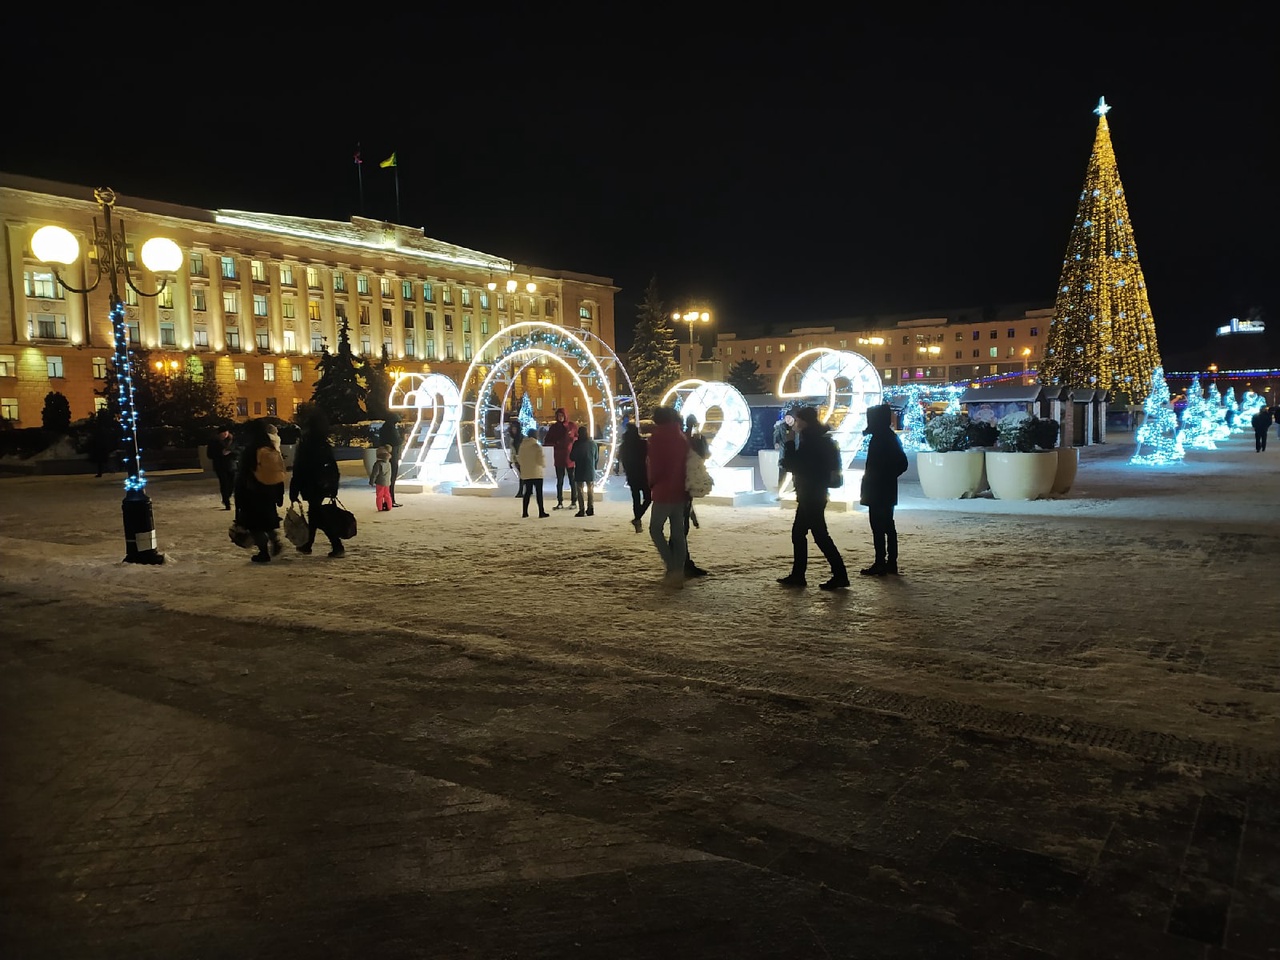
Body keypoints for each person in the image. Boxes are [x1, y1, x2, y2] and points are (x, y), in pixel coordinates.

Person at [776, 406, 849, 590]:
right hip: (813, 493)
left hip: (811, 494)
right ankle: (799, 575)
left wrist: (790, 443)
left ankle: (839, 574)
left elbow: (794, 464)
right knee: (801, 533)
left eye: (798, 420)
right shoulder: (818, 439)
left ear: (805, 422)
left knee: (819, 535)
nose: (796, 423)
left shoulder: (811, 441)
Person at [858, 402, 909, 577]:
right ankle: (888, 562)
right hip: (883, 489)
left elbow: (902, 463)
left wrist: (882, 477)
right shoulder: (887, 437)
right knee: (886, 526)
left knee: (880, 527)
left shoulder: (882, 438)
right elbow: (901, 464)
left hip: (879, 489)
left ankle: (883, 562)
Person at [289, 410, 345, 558]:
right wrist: (333, 486)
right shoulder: (323, 443)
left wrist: (294, 489)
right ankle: (308, 544)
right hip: (323, 484)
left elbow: (299, 467)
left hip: (310, 485)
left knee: (318, 516)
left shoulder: (306, 443)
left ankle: (336, 545)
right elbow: (332, 466)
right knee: (314, 515)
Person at [646, 406, 691, 589]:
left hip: (663, 490)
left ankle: (671, 566)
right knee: (678, 533)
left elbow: (655, 466)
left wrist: (651, 482)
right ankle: (678, 571)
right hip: (680, 489)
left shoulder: (656, 439)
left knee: (655, 529)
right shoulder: (681, 437)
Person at [233, 419, 286, 563]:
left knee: (255, 525)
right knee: (267, 521)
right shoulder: (270, 448)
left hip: (253, 493)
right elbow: (279, 471)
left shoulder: (251, 451)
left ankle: (263, 552)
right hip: (269, 491)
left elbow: (243, 476)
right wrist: (279, 494)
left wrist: (238, 497)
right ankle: (275, 541)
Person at [680, 414, 709, 578]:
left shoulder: (684, 439)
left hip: (682, 489)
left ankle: (682, 562)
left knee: (681, 529)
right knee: (680, 530)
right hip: (682, 489)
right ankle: (681, 564)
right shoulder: (690, 442)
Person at [618, 422, 651, 533]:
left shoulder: (624, 446)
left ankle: (638, 521)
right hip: (642, 474)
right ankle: (637, 518)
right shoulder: (642, 444)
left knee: (636, 499)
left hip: (632, 475)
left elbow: (621, 460)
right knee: (648, 497)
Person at [543, 408, 574, 509]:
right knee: (559, 481)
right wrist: (556, 443)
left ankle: (574, 501)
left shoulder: (571, 426)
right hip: (559, 457)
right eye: (559, 416)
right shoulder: (554, 428)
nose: (560, 417)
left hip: (570, 457)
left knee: (572, 480)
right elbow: (547, 440)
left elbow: (577, 437)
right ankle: (560, 501)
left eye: (562, 415)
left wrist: (571, 440)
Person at [516, 427, 550, 518]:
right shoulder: (536, 446)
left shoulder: (522, 446)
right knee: (539, 493)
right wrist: (543, 465)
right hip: (537, 473)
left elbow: (519, 458)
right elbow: (540, 460)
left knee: (527, 492)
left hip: (527, 473)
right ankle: (541, 512)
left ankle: (525, 512)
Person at [570, 424, 598, 517]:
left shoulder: (577, 444)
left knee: (580, 489)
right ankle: (590, 508)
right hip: (590, 469)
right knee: (590, 489)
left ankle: (581, 509)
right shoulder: (593, 443)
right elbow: (596, 457)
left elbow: (572, 457)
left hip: (580, 469)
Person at [376, 413, 404, 507]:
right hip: (392, 457)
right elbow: (397, 441)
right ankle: (390, 501)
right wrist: (403, 438)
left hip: (387, 457)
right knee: (390, 479)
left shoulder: (384, 428)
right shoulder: (391, 429)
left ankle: (387, 501)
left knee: (386, 480)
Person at [207, 424, 237, 509]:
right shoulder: (213, 442)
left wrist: (231, 452)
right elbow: (209, 455)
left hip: (231, 465)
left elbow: (238, 450)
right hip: (220, 465)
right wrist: (220, 453)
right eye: (223, 433)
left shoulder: (232, 440)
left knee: (232, 483)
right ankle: (226, 501)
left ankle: (227, 496)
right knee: (224, 483)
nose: (225, 435)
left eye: (226, 433)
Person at [772, 412, 794, 501]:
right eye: (786, 418)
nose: (787, 420)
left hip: (795, 454)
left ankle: (794, 490)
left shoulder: (797, 427)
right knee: (782, 473)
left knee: (795, 474)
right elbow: (776, 436)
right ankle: (780, 493)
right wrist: (776, 443)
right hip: (784, 453)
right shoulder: (781, 426)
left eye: (789, 418)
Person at [369, 445, 393, 511]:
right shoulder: (388, 463)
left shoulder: (378, 464)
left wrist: (371, 481)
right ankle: (389, 506)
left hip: (380, 482)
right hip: (387, 482)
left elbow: (374, 474)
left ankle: (380, 508)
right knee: (387, 494)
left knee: (379, 496)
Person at [507, 418, 525, 497]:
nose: (514, 430)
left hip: (522, 459)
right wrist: (511, 461)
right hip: (517, 460)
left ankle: (521, 491)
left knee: (523, 476)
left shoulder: (521, 438)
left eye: (515, 428)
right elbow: (512, 451)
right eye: (513, 428)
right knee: (522, 476)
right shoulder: (513, 439)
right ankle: (523, 491)